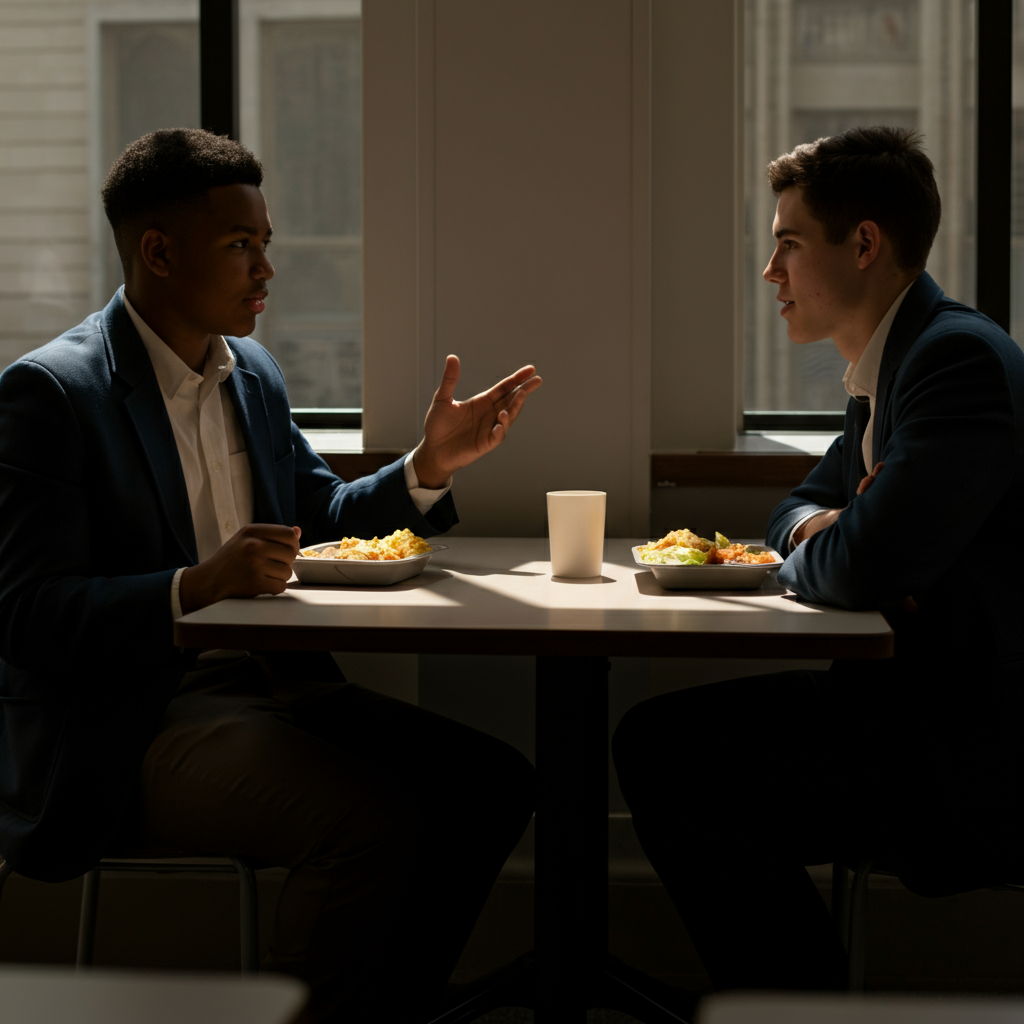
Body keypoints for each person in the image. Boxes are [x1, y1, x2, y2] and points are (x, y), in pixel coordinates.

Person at [0, 128, 542, 1022]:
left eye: (266, 244)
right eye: (240, 246)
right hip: (128, 723)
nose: (265, 269)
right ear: (159, 253)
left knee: (493, 783)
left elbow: (316, 522)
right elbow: (25, 616)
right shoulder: (52, 396)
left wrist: (424, 470)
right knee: (371, 823)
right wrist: (193, 587)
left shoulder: (251, 372)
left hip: (271, 688)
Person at [613, 126, 1024, 995]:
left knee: (670, 754)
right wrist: (821, 529)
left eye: (788, 245)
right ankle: (798, 1003)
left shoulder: (954, 362)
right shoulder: (889, 367)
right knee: (669, 745)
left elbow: (861, 567)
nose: (772, 275)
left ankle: (797, 1011)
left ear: (865, 243)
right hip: (906, 705)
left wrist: (842, 538)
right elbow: (792, 516)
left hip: (965, 741)